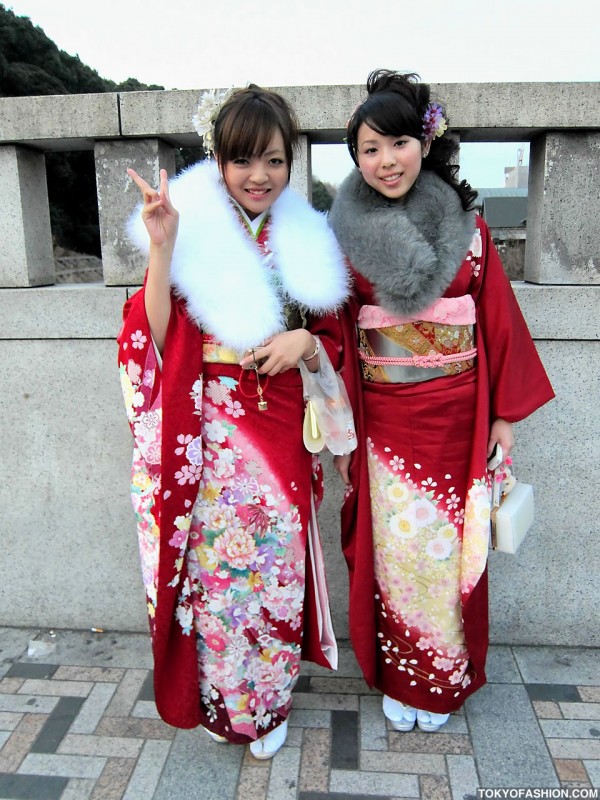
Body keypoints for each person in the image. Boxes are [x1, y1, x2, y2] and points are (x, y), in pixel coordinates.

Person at [117, 84, 353, 759]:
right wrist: (163, 250)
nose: (260, 176)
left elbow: (335, 338)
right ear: (218, 160)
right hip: (210, 434)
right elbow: (152, 340)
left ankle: (269, 705)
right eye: (245, 160)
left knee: (275, 572)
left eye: (275, 161)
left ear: (291, 163)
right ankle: (225, 704)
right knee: (219, 579)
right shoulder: (198, 236)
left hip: (278, 422)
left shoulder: (307, 237)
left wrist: (305, 344)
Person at [328, 70, 554, 733]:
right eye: (369, 149)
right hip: (384, 422)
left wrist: (505, 414)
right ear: (356, 160)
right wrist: (342, 430)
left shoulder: (470, 230)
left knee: (452, 553)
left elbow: (498, 324)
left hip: (458, 417)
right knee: (397, 554)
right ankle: (403, 677)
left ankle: (444, 678)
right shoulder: (343, 238)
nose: (385, 160)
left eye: (397, 142)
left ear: (425, 144)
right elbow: (337, 338)